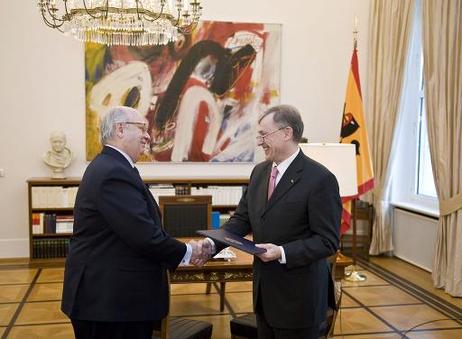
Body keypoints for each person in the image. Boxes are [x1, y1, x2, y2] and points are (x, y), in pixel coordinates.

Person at [61, 106, 209, 339]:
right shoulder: (113, 172)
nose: (148, 135)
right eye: (142, 128)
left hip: (110, 299)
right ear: (120, 129)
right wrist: (189, 252)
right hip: (109, 304)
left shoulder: (111, 166)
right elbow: (144, 236)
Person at [204, 105, 342, 338]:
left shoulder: (320, 179)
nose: (259, 141)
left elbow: (327, 242)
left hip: (299, 301)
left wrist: (282, 252)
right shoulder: (259, 172)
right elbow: (241, 219)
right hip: (264, 296)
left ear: (286, 133)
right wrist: (212, 243)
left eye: (263, 134)